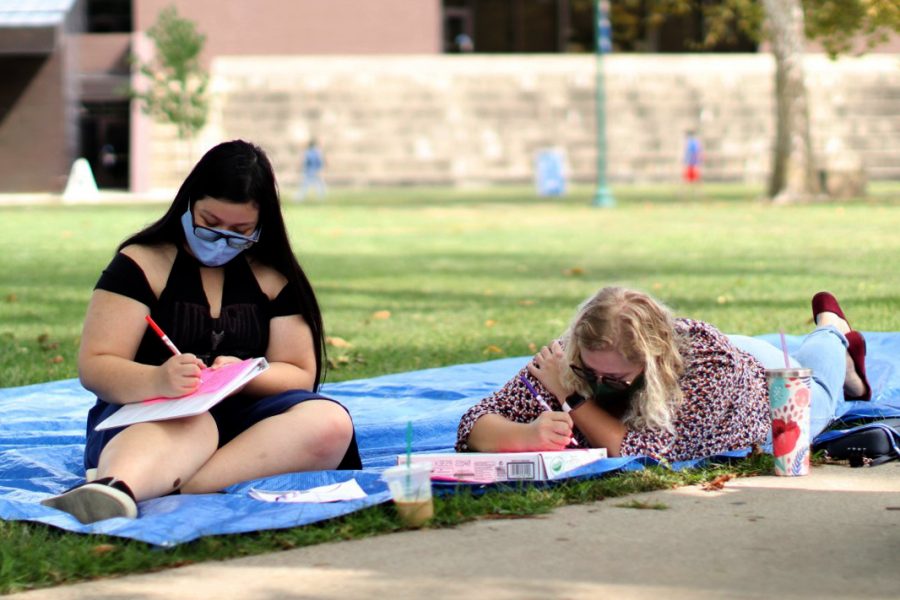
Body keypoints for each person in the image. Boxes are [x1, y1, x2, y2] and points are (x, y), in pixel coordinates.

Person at [42, 140, 361, 525]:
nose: (222, 239)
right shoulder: (142, 263)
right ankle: (119, 485)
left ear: (262, 225)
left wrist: (244, 375)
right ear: (189, 202)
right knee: (193, 422)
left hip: (250, 423)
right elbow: (96, 365)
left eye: (241, 230)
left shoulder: (274, 276)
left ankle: (166, 485)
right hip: (156, 417)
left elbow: (299, 373)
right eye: (209, 224)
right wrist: (158, 378)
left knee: (330, 423)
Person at [456, 287, 870, 462]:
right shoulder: (572, 357)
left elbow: (647, 453)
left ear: (651, 363)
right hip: (727, 345)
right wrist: (525, 436)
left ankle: (833, 330)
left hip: (758, 394)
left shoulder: (710, 370)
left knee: (816, 389)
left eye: (615, 379)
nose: (597, 381)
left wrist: (573, 398)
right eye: (587, 370)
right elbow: (474, 424)